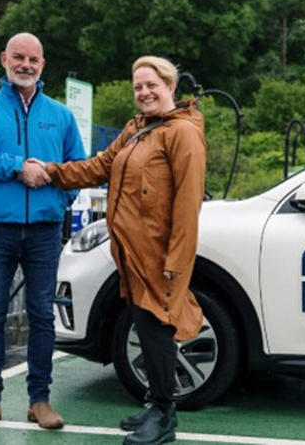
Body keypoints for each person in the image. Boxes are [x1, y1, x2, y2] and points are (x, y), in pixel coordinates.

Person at [25, 56, 206, 445]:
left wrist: (177, 261)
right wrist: (54, 172)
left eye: (151, 85)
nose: (144, 93)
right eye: (137, 87)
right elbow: (99, 166)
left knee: (157, 329)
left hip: (158, 255)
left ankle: (164, 415)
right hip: (131, 253)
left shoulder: (182, 134)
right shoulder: (137, 129)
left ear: (170, 86)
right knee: (145, 325)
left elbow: (188, 205)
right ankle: (155, 402)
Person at [0, 32, 86, 432]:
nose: (25, 65)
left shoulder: (60, 116)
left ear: (42, 65)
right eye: (18, 57)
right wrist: (17, 167)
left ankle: (39, 400)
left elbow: (77, 169)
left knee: (42, 316)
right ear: (4, 60)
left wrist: (57, 202)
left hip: (45, 231)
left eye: (33, 59)